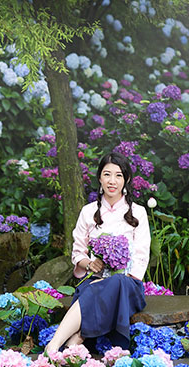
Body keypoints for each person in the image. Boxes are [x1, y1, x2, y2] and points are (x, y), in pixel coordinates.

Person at [45, 151, 150, 354]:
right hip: (96, 281)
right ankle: (64, 344)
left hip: (128, 285)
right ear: (100, 178)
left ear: (126, 179)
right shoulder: (88, 211)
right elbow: (77, 253)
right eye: (107, 174)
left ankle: (61, 343)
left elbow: (141, 253)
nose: (112, 181)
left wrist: (124, 276)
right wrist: (89, 264)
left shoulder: (138, 212)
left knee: (115, 283)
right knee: (94, 286)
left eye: (118, 175)